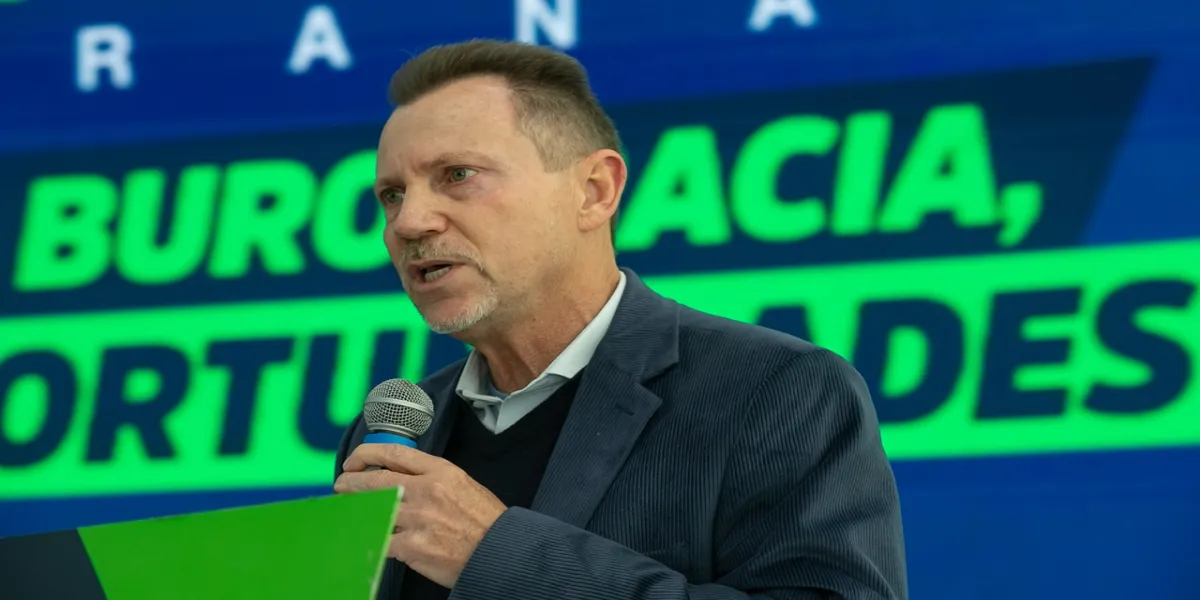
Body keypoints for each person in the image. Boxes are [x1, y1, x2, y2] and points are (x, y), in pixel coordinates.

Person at [333, 39, 907, 600]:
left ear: (594, 191)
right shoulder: (391, 433)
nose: (409, 222)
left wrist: (497, 555)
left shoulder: (778, 390)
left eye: (458, 175)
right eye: (391, 195)